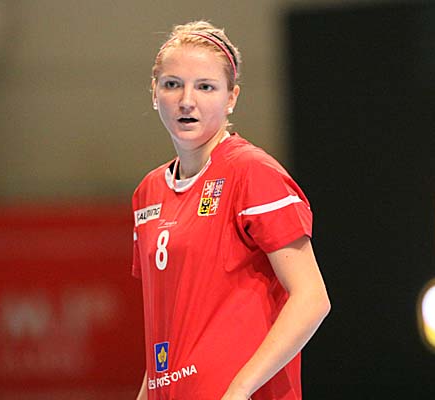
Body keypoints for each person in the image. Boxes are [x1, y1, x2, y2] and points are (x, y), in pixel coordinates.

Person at [131, 21, 330, 400]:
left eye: (205, 87)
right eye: (172, 84)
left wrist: (237, 391)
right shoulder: (148, 193)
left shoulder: (252, 172)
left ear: (231, 97)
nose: (186, 100)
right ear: (154, 92)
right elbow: (168, 332)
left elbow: (312, 299)